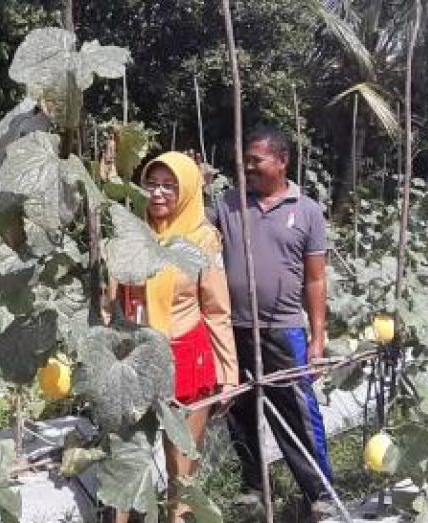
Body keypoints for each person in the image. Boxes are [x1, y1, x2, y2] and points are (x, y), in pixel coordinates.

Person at [207, 125, 333, 520]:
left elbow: (315, 278)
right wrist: (196, 183)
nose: (248, 168)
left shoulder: (307, 210)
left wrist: (317, 335)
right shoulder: (228, 203)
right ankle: (254, 486)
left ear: (282, 161)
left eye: (256, 161)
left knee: (298, 412)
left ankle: (320, 492)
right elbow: (191, 227)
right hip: (234, 330)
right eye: (244, 161)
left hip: (283, 329)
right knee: (241, 413)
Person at [112, 151, 238, 523]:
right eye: (152, 183)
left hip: (186, 357)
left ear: (185, 192)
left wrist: (228, 372)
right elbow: (111, 302)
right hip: (135, 359)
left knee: (180, 472)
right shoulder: (130, 234)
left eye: (169, 186)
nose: (158, 194)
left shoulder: (202, 239)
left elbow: (217, 310)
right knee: (125, 462)